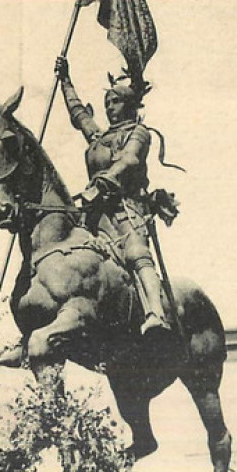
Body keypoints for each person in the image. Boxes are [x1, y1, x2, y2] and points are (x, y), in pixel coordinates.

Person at [55, 55, 171, 337]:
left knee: (135, 252)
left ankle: (156, 313)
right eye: (107, 103)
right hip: (95, 213)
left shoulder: (138, 132)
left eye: (115, 102)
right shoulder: (99, 137)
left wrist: (101, 185)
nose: (109, 108)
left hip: (127, 210)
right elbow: (79, 114)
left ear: (130, 103)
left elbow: (129, 161)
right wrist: (65, 81)